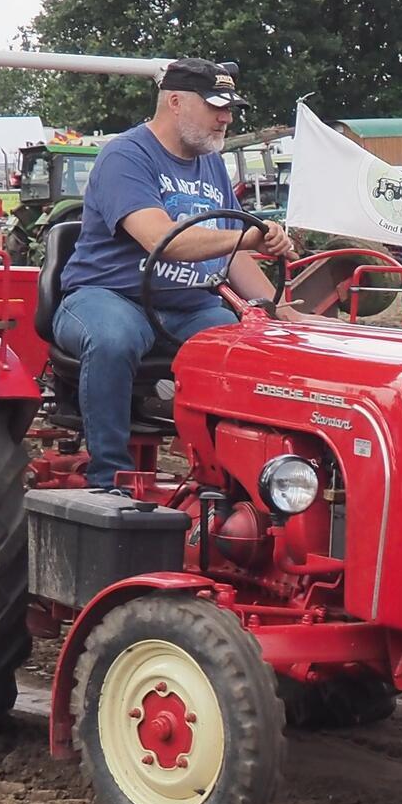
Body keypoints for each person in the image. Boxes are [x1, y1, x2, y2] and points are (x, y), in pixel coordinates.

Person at [55, 58, 299, 492]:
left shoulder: (210, 163)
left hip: (188, 304)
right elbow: (160, 239)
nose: (226, 117)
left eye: (230, 108)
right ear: (175, 102)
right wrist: (247, 238)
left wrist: (275, 311)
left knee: (248, 348)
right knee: (114, 339)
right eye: (216, 106)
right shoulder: (125, 156)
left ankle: (235, 481)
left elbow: (229, 249)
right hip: (110, 296)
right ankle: (109, 479)